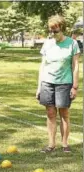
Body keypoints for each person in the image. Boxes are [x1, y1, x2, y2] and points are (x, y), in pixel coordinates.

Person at [36, 15, 80, 153]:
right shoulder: (47, 44)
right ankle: (51, 144)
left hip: (64, 83)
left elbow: (75, 66)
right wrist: (39, 87)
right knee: (50, 113)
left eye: (55, 31)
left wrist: (75, 86)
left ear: (62, 28)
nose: (52, 34)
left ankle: (65, 144)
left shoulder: (72, 44)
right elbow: (42, 66)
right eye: (50, 31)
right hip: (47, 82)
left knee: (64, 113)